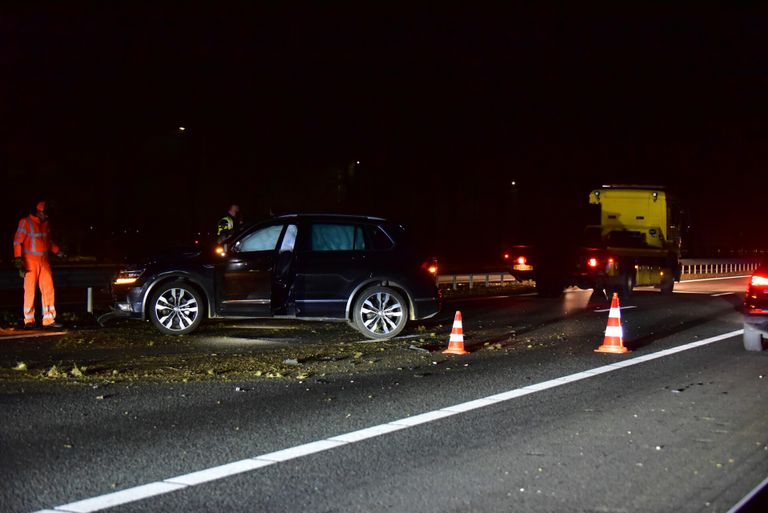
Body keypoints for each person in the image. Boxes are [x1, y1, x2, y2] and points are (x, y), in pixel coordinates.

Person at [13, 201, 66, 328]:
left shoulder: (45, 224)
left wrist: (59, 252)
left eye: (48, 214)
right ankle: (29, 321)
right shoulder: (25, 222)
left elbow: (48, 242)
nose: (46, 216)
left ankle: (48, 320)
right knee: (30, 291)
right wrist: (18, 259)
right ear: (38, 212)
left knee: (48, 289)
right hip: (29, 262)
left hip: (44, 261)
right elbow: (17, 242)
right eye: (45, 214)